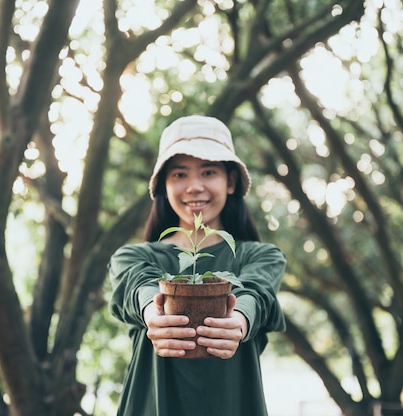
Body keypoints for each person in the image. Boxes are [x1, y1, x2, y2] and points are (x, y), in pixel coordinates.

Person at [108, 115, 286, 416]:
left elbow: (256, 293)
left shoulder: (261, 256)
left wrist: (238, 322)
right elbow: (138, 284)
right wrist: (154, 315)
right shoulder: (134, 257)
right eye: (179, 174)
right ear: (163, 185)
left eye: (208, 171)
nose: (193, 187)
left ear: (230, 182)